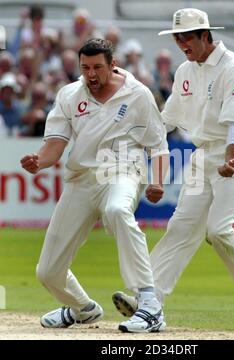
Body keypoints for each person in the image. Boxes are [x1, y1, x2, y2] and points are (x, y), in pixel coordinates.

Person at [112, 8, 234, 330]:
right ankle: (150, 302)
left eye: (187, 37)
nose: (182, 43)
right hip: (203, 156)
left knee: (219, 231)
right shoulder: (186, 71)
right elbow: (168, 118)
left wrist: (231, 158)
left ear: (206, 35)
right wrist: (135, 143)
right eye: (177, 37)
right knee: (181, 228)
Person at [20, 38, 169, 333]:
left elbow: (159, 146)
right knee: (48, 272)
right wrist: (39, 161)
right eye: (85, 67)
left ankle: (150, 304)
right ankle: (83, 308)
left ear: (113, 65)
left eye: (97, 68)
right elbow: (54, 146)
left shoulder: (138, 94)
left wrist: (158, 181)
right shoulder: (69, 95)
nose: (91, 74)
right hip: (82, 179)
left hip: (124, 171)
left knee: (116, 209)